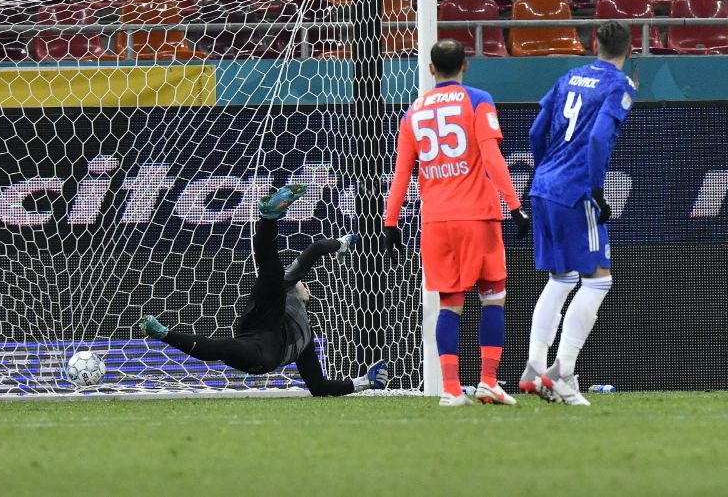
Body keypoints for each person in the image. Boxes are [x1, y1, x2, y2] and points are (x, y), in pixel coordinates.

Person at [383, 39, 529, 406]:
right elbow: (492, 157)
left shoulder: (412, 113)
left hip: (436, 222)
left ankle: (450, 389)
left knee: (449, 303)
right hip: (477, 215)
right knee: (493, 297)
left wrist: (390, 222)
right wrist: (514, 206)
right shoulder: (478, 99)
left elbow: (401, 175)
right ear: (466, 65)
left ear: (431, 68)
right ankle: (488, 381)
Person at [140, 183, 389, 397]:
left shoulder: (304, 338)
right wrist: (340, 243)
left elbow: (319, 387)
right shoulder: (288, 291)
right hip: (261, 318)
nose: (305, 286)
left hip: (263, 352)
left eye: (306, 288)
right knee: (272, 272)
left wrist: (365, 382)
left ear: (307, 298)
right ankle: (268, 217)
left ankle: (164, 334)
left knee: (222, 347)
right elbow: (314, 251)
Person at [520, 21, 635, 407]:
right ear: (630, 49)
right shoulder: (619, 85)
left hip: (543, 186)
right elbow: (599, 137)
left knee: (562, 277)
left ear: (592, 44)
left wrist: (546, 170)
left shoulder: (569, 76)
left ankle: (535, 368)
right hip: (576, 190)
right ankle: (563, 373)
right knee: (599, 280)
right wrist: (596, 189)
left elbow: (536, 131)